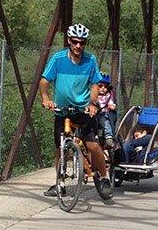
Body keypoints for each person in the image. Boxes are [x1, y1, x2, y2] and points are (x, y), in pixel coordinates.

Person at [40, 23, 112, 198]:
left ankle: (103, 178)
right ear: (68, 41)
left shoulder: (90, 60)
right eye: (75, 42)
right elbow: (44, 81)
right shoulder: (58, 59)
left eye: (82, 42)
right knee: (60, 149)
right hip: (61, 111)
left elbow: (95, 84)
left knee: (93, 146)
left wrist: (91, 103)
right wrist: (46, 99)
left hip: (82, 111)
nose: (78, 46)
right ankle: (60, 183)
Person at [95, 73, 117, 148]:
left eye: (106, 86)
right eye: (100, 86)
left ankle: (108, 138)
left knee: (106, 122)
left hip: (103, 114)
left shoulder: (108, 96)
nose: (103, 88)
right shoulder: (93, 95)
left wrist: (112, 106)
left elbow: (112, 104)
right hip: (93, 114)